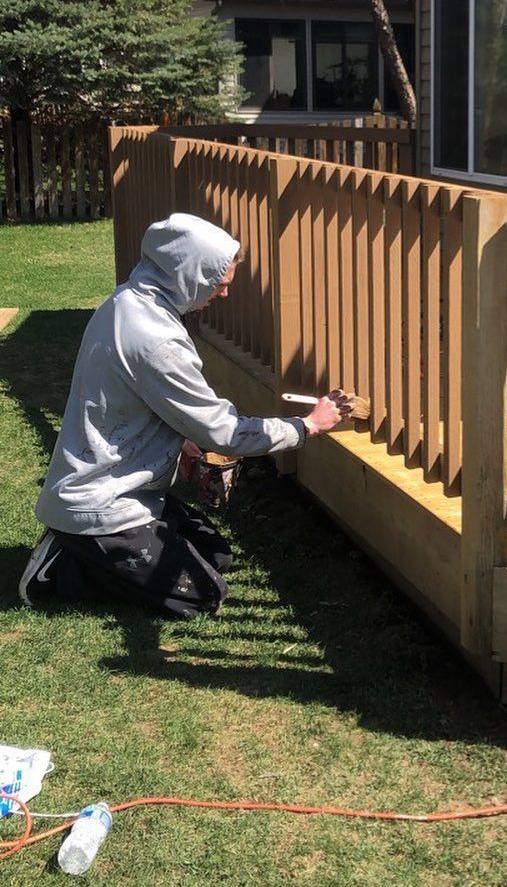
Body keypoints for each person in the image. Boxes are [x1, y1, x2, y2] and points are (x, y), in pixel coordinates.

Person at [18, 212, 349, 618]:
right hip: (99, 502)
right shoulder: (156, 341)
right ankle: (60, 567)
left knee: (217, 556)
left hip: (129, 490)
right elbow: (224, 433)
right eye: (219, 283)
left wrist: (182, 439)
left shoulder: (130, 301)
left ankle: (96, 550)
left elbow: (141, 400)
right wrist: (307, 426)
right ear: (189, 274)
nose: (224, 294)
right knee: (199, 596)